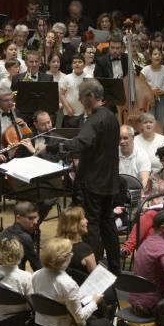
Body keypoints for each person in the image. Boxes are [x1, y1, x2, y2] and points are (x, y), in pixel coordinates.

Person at [58, 79, 121, 270]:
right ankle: (115, 268)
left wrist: (56, 145)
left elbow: (81, 143)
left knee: (91, 226)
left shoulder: (95, 119)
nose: (79, 100)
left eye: (81, 97)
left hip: (93, 183)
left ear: (91, 97)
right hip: (109, 182)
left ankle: (91, 270)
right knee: (108, 225)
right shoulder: (112, 117)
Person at [0, 201, 41, 271]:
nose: (35, 222)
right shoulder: (25, 238)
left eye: (36, 217)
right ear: (18, 218)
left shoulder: (4, 232)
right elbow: (37, 267)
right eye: (30, 218)